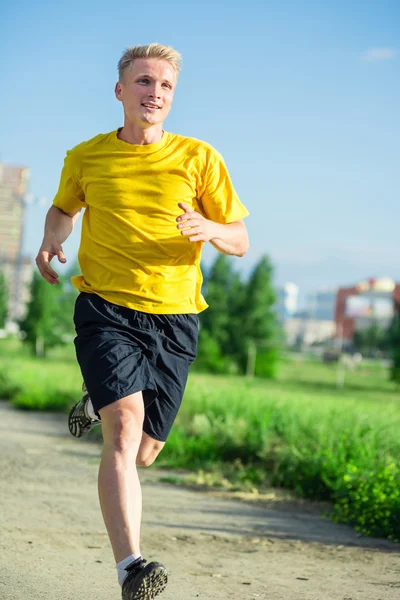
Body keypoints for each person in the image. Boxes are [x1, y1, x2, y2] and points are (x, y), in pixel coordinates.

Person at [35, 43, 249, 600]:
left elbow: (241, 241)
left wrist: (211, 229)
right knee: (124, 429)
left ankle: (97, 393)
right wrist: (50, 241)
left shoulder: (200, 158)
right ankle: (132, 567)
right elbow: (63, 208)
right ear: (120, 90)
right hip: (105, 308)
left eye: (166, 86)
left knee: (146, 448)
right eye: (144, 81)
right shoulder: (87, 156)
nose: (155, 92)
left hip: (175, 316)